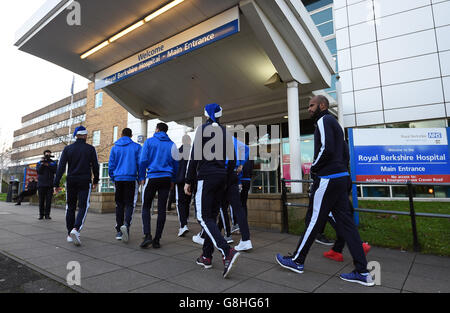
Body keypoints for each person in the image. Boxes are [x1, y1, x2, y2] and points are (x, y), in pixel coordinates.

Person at [276, 95, 374, 287]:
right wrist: (343, 173)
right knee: (347, 225)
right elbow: (344, 152)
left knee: (314, 219)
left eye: (312, 105)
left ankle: (297, 261)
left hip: (328, 178)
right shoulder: (336, 124)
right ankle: (362, 271)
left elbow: (326, 149)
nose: (309, 109)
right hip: (341, 178)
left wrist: (314, 168)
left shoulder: (323, 120)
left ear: (322, 105)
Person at [184, 103, 240, 279]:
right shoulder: (226, 132)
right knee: (212, 218)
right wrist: (228, 180)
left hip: (206, 177)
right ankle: (206, 256)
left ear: (206, 115)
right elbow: (232, 160)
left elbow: (194, 156)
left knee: (202, 217)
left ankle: (226, 251)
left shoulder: (203, 130)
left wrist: (188, 180)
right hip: (221, 179)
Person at [54, 126, 99, 246]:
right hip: (85, 181)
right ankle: (76, 228)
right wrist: (96, 180)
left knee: (70, 206)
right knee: (84, 206)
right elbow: (95, 166)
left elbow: (61, 167)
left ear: (76, 135)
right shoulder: (90, 149)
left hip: (71, 180)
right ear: (84, 136)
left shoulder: (68, 149)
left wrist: (56, 183)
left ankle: (69, 233)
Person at [139, 122, 177, 249]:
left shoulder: (149, 142)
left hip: (153, 177)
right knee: (162, 210)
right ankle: (157, 240)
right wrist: (173, 180)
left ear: (157, 129)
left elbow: (143, 160)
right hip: (166, 178)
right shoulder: (172, 144)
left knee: (146, 207)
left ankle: (147, 235)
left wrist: (141, 177)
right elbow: (175, 164)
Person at [108, 128, 142, 243]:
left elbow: (111, 165)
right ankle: (126, 225)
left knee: (119, 205)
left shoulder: (115, 147)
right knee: (129, 204)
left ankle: (119, 231)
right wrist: (141, 177)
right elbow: (140, 164)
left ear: (121, 134)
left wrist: (113, 177)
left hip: (118, 179)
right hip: (131, 178)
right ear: (131, 135)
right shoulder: (137, 147)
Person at [175, 134, 192, 237]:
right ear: (189, 141)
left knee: (180, 203)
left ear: (182, 141)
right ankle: (185, 221)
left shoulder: (177, 151)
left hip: (180, 181)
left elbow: (175, 167)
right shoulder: (194, 151)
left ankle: (183, 225)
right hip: (191, 181)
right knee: (187, 202)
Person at [36, 150, 57, 220]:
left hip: (50, 185)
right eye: (46, 154)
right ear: (44, 154)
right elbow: (38, 171)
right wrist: (42, 164)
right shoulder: (39, 162)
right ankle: (41, 215)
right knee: (41, 201)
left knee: (48, 201)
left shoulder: (53, 162)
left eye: (49, 154)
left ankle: (47, 215)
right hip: (41, 184)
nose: (48, 155)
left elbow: (55, 170)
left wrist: (48, 165)